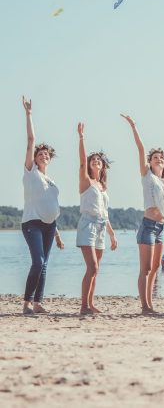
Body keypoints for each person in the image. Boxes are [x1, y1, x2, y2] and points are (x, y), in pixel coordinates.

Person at [121, 114, 164, 314]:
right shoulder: (147, 176)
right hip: (148, 226)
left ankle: (150, 303)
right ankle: (144, 306)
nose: (158, 159)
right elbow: (141, 149)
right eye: (155, 158)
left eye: (161, 158)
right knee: (146, 268)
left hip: (161, 228)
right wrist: (134, 126)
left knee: (155, 268)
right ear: (150, 162)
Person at [21, 97, 64, 315]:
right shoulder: (31, 173)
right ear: (35, 159)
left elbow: (53, 206)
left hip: (50, 225)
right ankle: (27, 303)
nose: (43, 156)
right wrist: (29, 114)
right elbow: (31, 140)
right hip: (32, 223)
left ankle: (38, 303)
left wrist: (57, 233)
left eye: (46, 155)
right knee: (38, 261)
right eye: (40, 154)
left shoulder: (52, 181)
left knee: (45, 264)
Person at [76, 123, 118, 315]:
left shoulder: (102, 186)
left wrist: (112, 234)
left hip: (101, 227)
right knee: (91, 267)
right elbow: (82, 162)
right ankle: (83, 306)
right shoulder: (86, 182)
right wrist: (81, 138)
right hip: (88, 225)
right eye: (93, 160)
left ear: (103, 166)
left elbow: (105, 213)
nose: (95, 162)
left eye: (99, 161)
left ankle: (90, 304)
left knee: (96, 269)